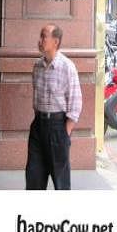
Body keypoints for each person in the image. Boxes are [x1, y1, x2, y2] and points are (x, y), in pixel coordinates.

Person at [25, 24, 82, 190]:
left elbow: (76, 103)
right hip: (38, 126)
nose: (40, 40)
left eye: (44, 36)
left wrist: (65, 132)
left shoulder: (67, 67)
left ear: (55, 42)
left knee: (60, 181)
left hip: (58, 127)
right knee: (33, 176)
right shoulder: (37, 66)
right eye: (40, 36)